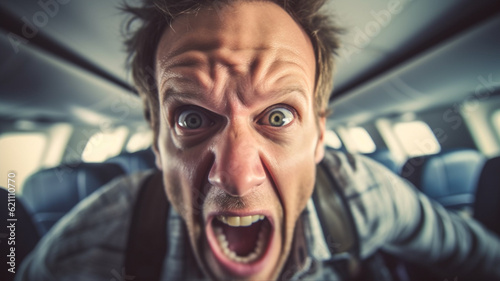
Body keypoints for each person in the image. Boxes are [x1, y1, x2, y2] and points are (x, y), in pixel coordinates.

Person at [15, 0, 500, 280]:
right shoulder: (96, 239)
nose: (236, 174)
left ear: (319, 136)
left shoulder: (363, 197)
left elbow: (478, 259)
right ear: (156, 138)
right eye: (189, 118)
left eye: (278, 114)